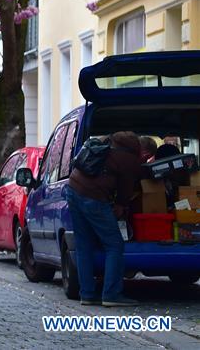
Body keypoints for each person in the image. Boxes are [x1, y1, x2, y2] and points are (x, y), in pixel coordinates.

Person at [66, 131, 143, 307]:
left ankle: (87, 294)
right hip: (94, 198)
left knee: (84, 245)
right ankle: (111, 294)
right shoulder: (129, 159)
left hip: (73, 189)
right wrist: (120, 205)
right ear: (136, 147)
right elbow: (126, 188)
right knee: (115, 245)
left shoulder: (104, 142)